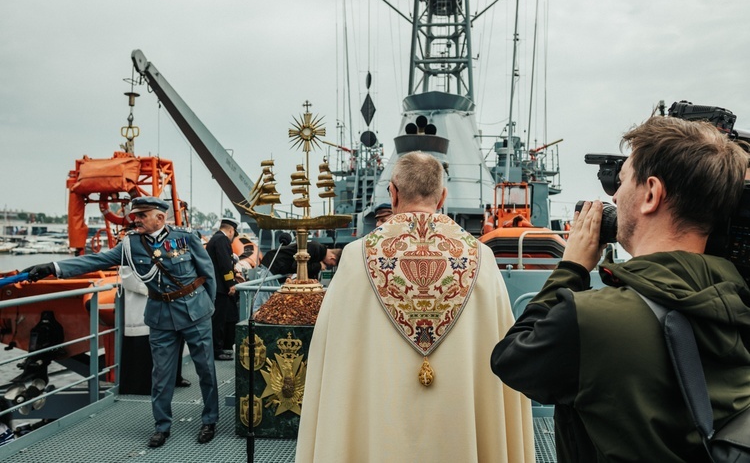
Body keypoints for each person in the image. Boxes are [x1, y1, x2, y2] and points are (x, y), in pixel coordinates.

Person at [491, 116, 750, 462]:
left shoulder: (590, 320)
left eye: (622, 180)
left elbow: (512, 359)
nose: (614, 195)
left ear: (651, 194)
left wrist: (571, 268)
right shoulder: (737, 299)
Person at [295, 151, 534, 463]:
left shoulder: (356, 256)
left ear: (392, 193)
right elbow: (500, 344)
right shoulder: (480, 257)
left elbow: (335, 352)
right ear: (442, 196)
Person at [22, 196, 219, 448]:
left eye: (142, 215)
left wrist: (207, 307)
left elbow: (208, 273)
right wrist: (53, 267)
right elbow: (95, 260)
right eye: (135, 215)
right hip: (160, 316)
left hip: (195, 312)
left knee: (206, 370)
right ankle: (162, 426)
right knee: (160, 376)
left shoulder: (185, 238)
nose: (135, 219)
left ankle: (210, 420)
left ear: (159, 217)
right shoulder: (131, 245)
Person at [205, 218, 239, 361]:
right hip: (220, 288)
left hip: (216, 286)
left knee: (219, 318)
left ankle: (217, 348)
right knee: (218, 320)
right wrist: (231, 283)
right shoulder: (222, 240)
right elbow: (225, 264)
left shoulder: (215, 239)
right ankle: (216, 350)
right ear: (231, 231)